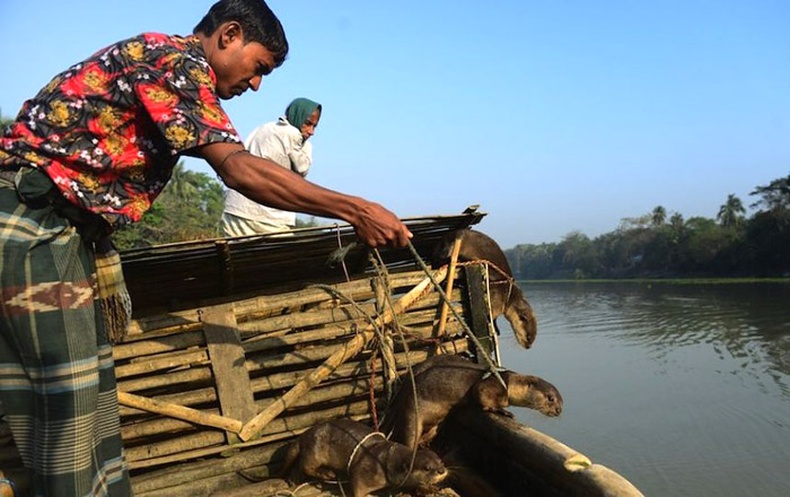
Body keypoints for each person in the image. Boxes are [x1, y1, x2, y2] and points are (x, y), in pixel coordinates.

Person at [0, 1, 411, 495]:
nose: (256, 85)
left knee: (93, 399)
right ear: (229, 35)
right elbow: (239, 169)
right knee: (64, 409)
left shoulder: (174, 67)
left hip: (65, 236)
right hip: (31, 224)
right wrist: (357, 209)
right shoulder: (171, 60)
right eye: (259, 68)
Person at [222, 97, 322, 236]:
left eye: (314, 126)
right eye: (307, 124)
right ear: (297, 116)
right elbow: (302, 168)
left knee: (237, 256)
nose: (311, 131)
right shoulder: (293, 134)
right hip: (269, 216)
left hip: (237, 209)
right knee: (284, 256)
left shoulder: (263, 128)